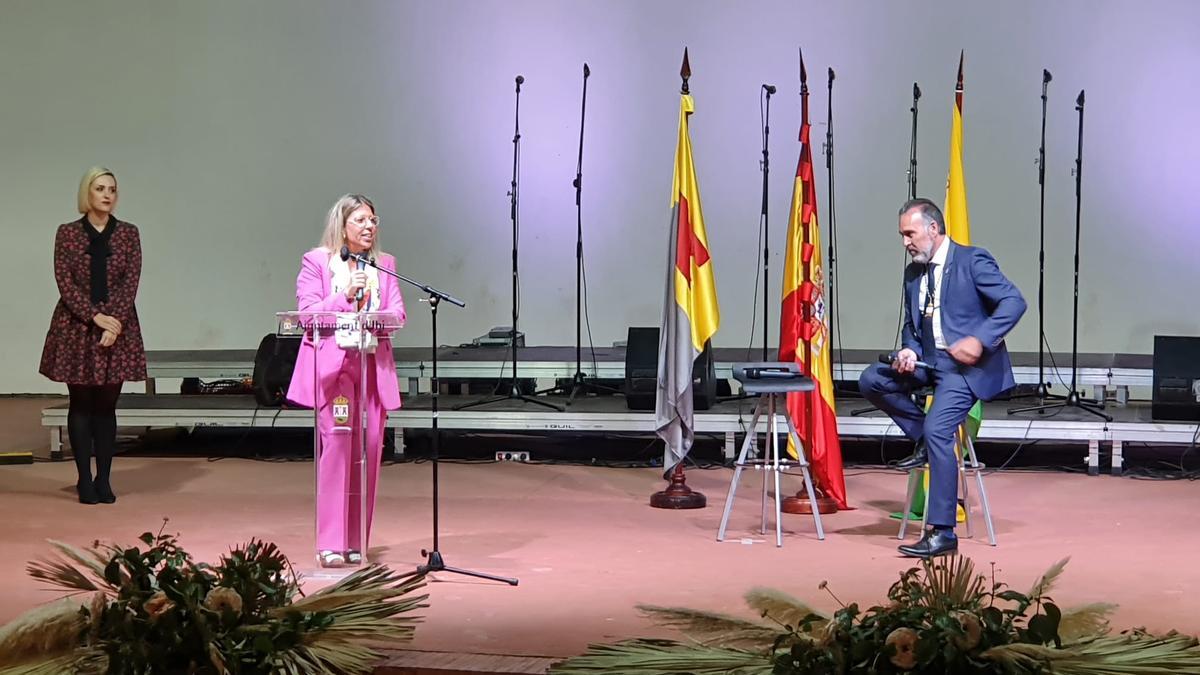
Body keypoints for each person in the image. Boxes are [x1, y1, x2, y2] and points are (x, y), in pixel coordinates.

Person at [858, 198, 1025, 558]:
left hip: (964, 371)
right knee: (872, 379)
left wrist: (979, 340)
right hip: (929, 364)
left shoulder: (972, 260)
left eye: (910, 234)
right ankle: (922, 438)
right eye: (902, 235)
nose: (906, 242)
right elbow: (912, 326)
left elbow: (1014, 301)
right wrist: (909, 351)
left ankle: (943, 531)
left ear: (933, 228)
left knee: (940, 431)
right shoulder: (913, 273)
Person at [286, 194, 406, 568]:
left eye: (373, 220)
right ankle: (330, 542)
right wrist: (344, 296)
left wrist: (380, 314)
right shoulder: (316, 262)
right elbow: (308, 315)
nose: (369, 226)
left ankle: (356, 540)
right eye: (360, 220)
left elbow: (398, 313)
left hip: (372, 364)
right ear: (342, 225)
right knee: (338, 447)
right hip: (335, 369)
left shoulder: (385, 265)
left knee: (369, 449)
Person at [40, 167, 147, 504]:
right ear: (87, 193)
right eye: (100, 188)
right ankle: (84, 479)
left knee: (107, 406)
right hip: (78, 327)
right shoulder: (68, 233)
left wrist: (113, 321)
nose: (107, 195)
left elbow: (131, 279)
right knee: (81, 404)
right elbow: (64, 280)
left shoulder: (128, 233)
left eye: (112, 189)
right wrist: (96, 317)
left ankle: (104, 479)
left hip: (118, 328)